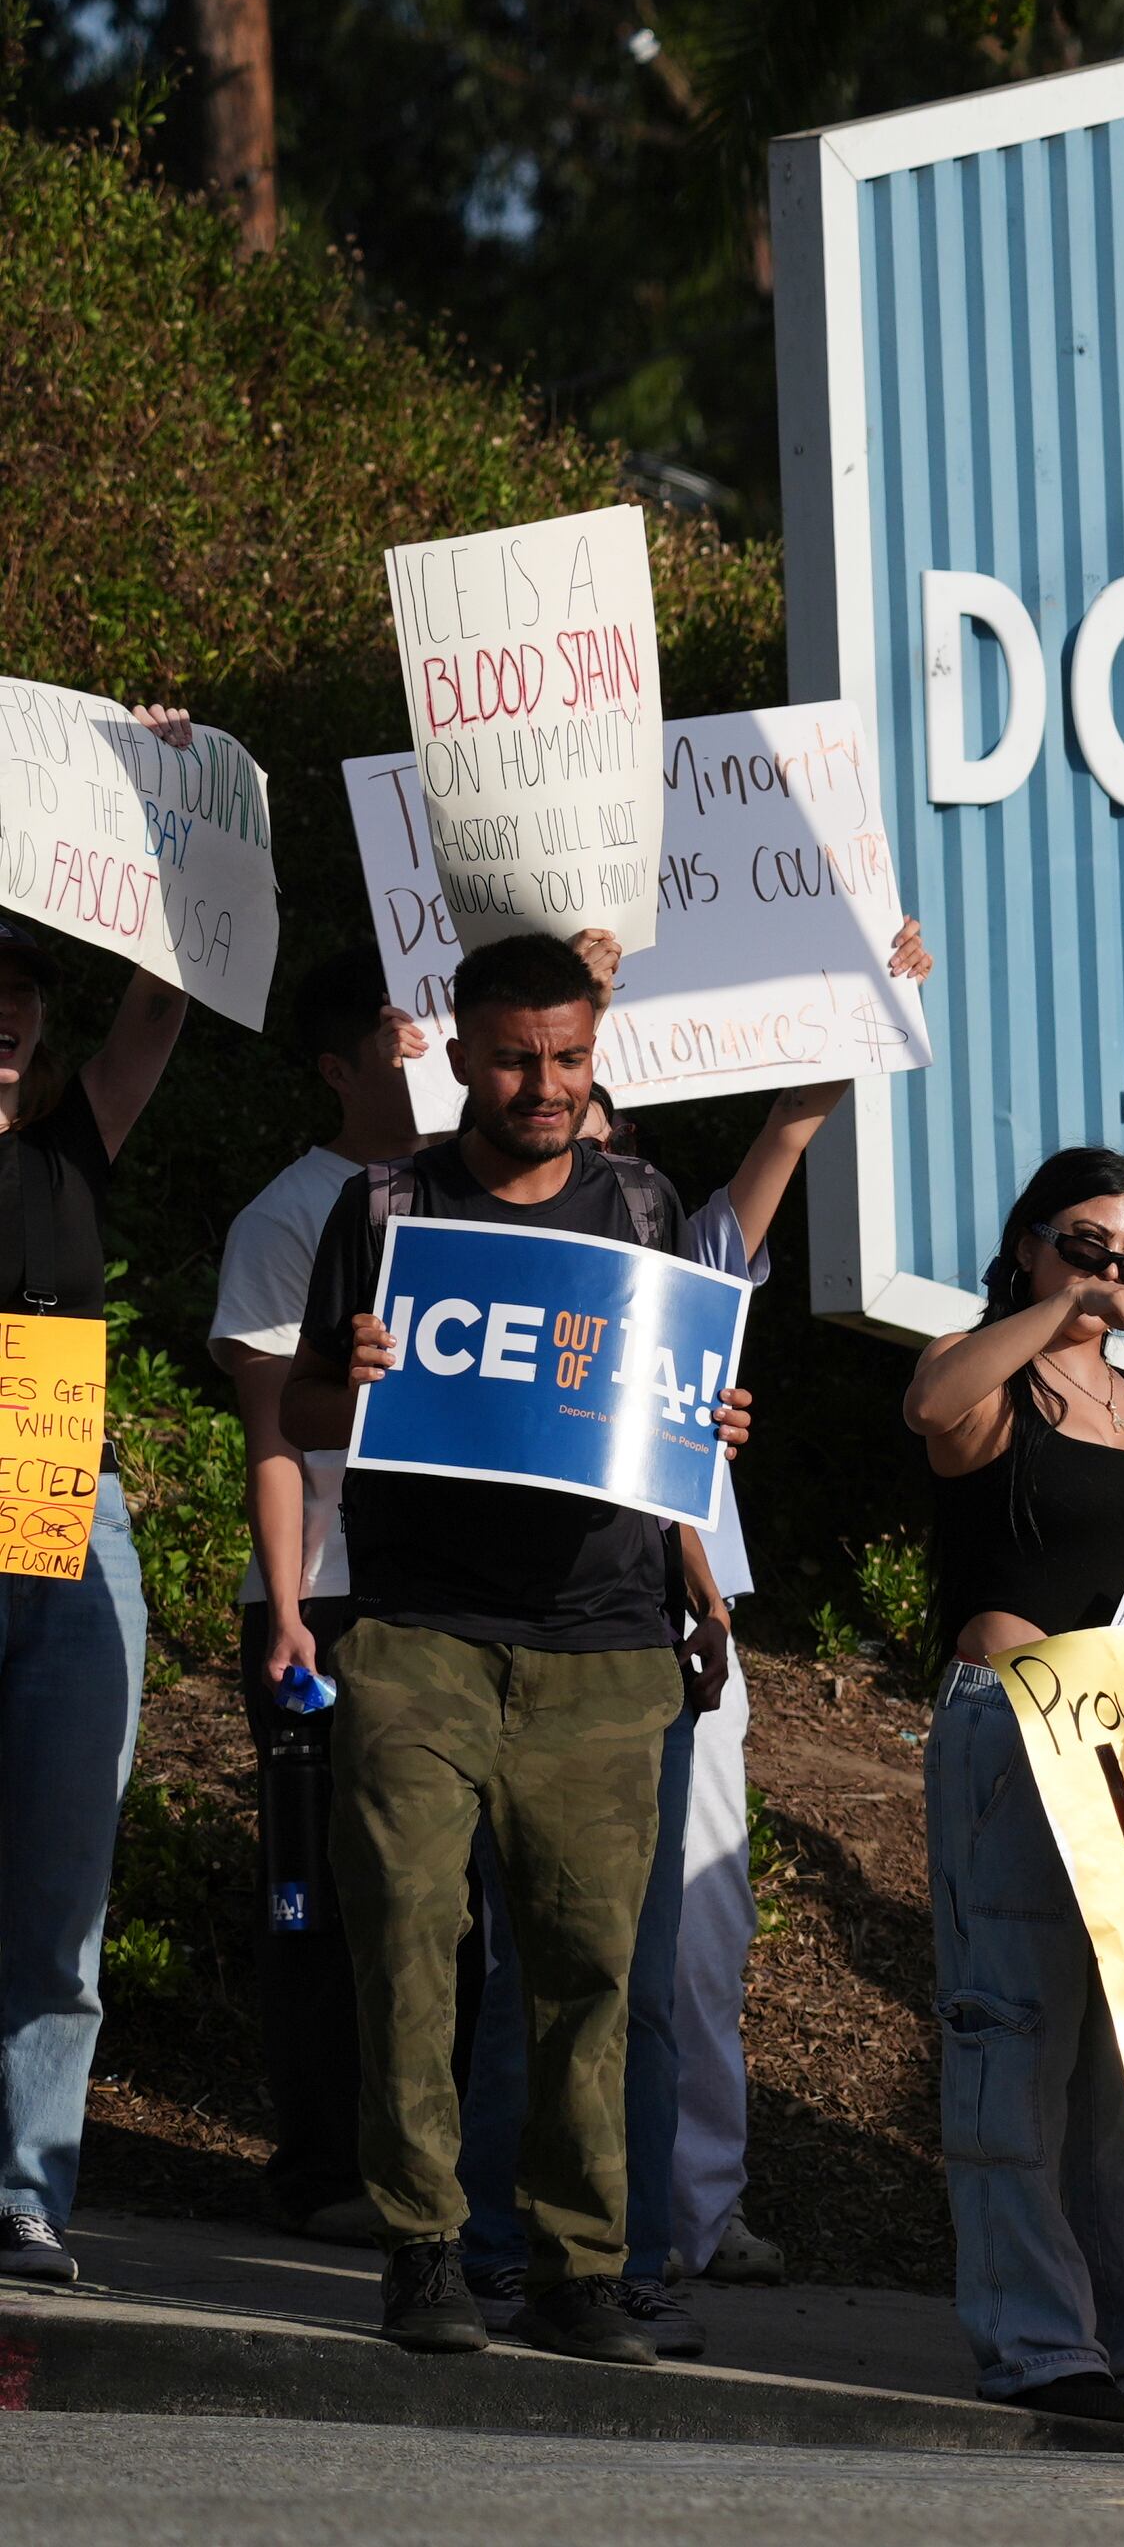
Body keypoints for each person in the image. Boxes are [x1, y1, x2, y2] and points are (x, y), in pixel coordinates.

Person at [283, 934, 751, 2364]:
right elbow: (299, 1411)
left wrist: (700, 1522)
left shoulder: (645, 1201)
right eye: (512, 1058)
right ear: (462, 1052)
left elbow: (669, 1412)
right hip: (418, 1635)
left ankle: (577, 2268)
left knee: (592, 1970)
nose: (543, 1084)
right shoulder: (390, 1204)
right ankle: (424, 2251)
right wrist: (345, 1378)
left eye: (566, 1056)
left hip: (606, 1645)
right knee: (414, 1945)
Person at [905, 1145, 1124, 2428]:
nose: (1113, 1277)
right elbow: (932, 1405)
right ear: (1034, 1245)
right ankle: (1040, 2341)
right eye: (1088, 1248)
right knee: (1015, 2038)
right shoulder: (994, 1368)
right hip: (1014, 1727)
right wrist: (1062, 1314)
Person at [0, 712, 196, 2289]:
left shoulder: (72, 1143)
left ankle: (24, 2188)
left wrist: (163, 794)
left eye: (17, 1001)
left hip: (64, 1508)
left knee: (62, 1888)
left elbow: (168, 992)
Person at [205, 947, 423, 2251]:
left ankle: (434, 2168)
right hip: (324, 1597)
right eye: (393, 1044)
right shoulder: (291, 1214)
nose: (418, 1062)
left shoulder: (477, 1196)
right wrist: (287, 1606)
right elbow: (271, 1427)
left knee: (430, 1900)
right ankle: (320, 2166)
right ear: (338, 1068)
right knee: (318, 1897)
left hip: (449, 1593)